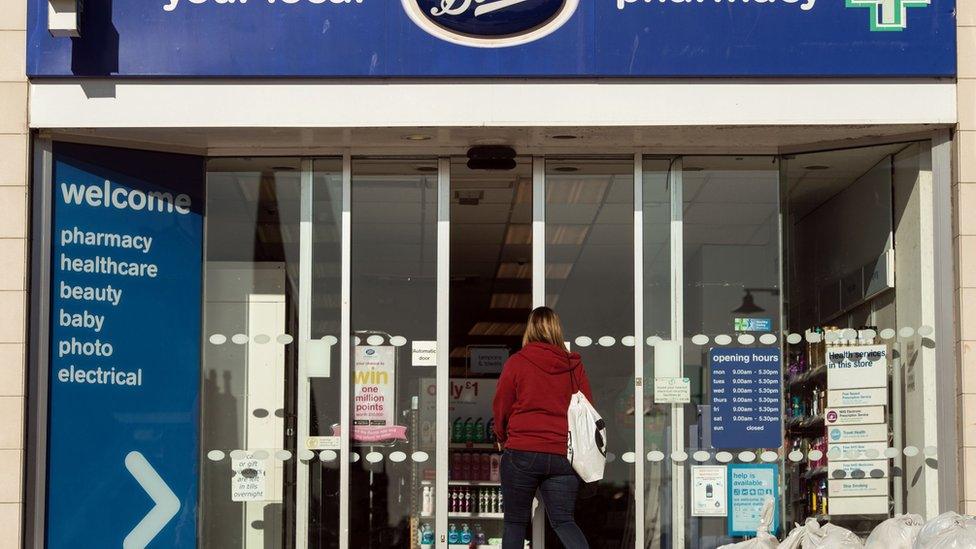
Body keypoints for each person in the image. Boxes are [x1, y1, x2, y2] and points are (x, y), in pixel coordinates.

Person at [492, 306, 594, 549]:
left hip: (522, 451)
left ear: (530, 330)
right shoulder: (572, 365)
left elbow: (501, 404)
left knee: (515, 523)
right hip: (562, 454)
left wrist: (501, 435)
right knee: (564, 521)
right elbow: (588, 407)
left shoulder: (517, 362)